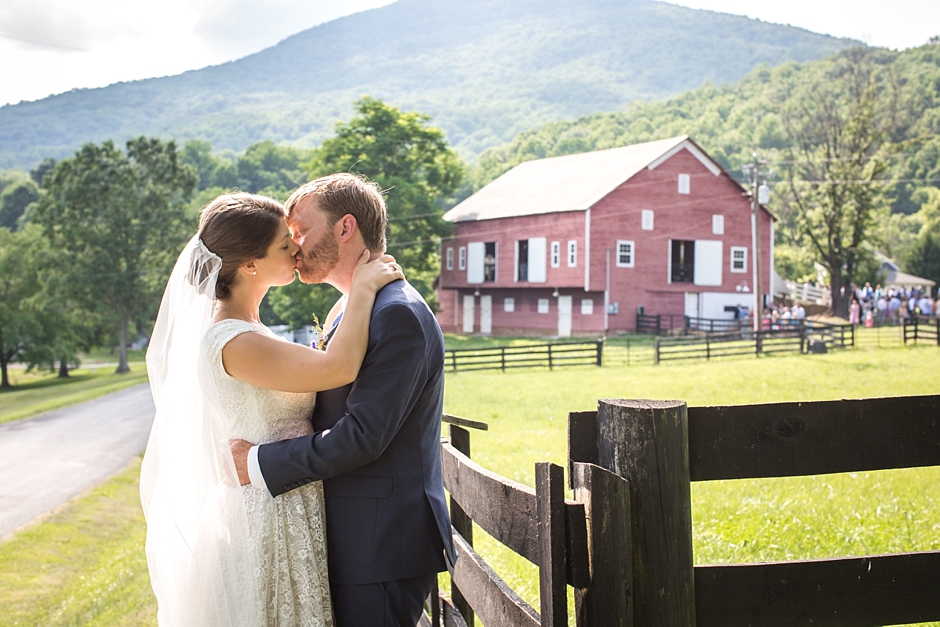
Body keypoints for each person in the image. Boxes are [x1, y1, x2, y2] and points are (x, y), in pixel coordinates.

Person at [140, 193, 403, 626]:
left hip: (286, 499)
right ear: (250, 265)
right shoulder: (232, 340)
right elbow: (338, 367)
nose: (297, 249)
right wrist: (365, 288)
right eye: (285, 244)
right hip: (265, 515)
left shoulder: (250, 329)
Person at [230, 174, 456, 626]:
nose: (294, 247)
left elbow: (363, 436)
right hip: (354, 539)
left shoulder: (397, 315)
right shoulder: (353, 308)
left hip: (379, 546)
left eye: (301, 232)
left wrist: (256, 463)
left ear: (345, 228)